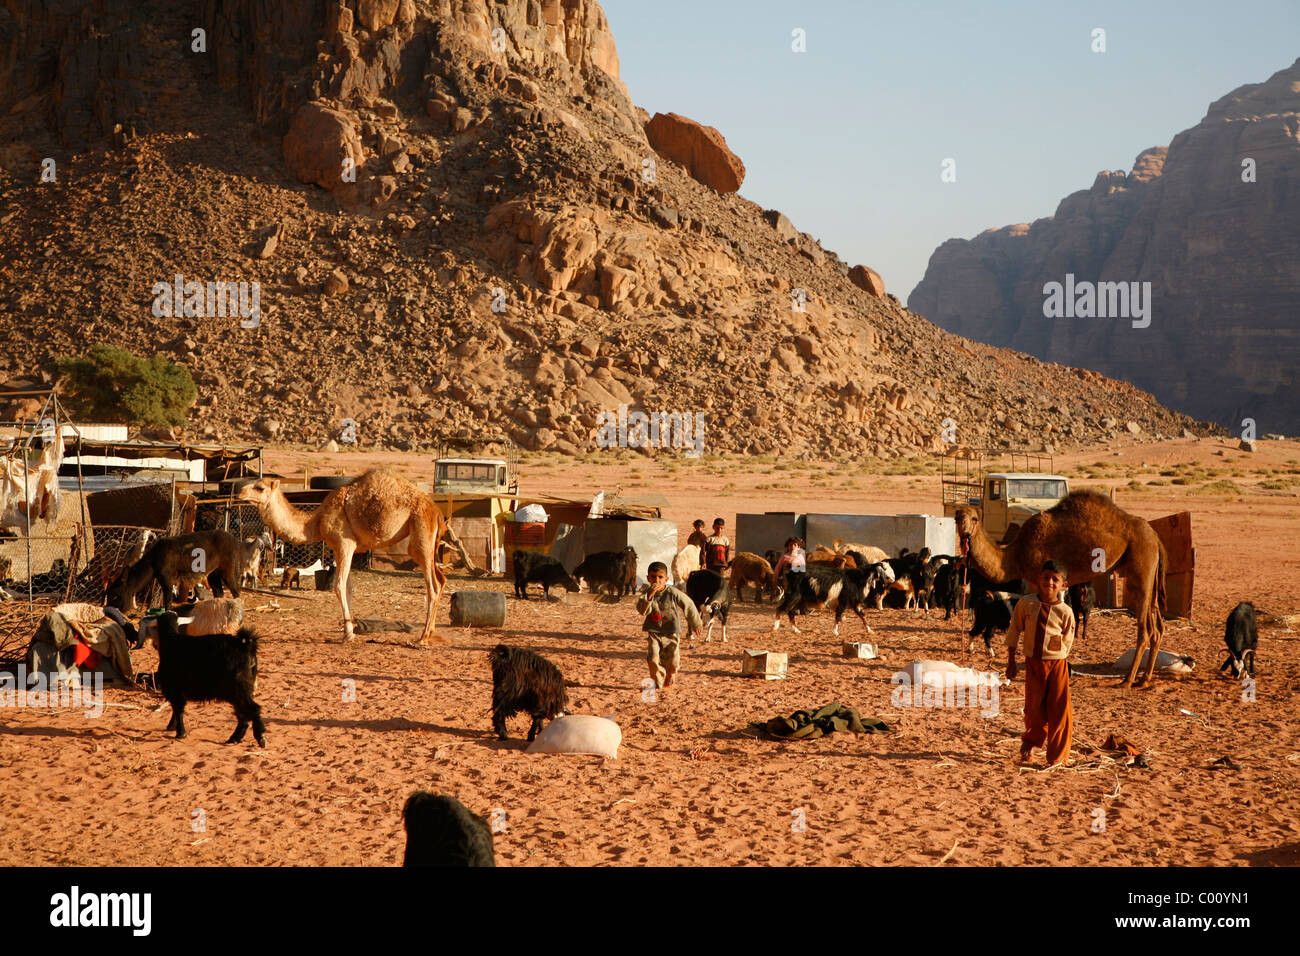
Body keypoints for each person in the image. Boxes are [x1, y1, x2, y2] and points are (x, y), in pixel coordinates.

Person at [1005, 560, 1076, 766]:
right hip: (1033, 664)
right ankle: (1030, 742)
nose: (1050, 582)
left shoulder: (1065, 612)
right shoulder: (1026, 604)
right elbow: (1014, 630)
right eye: (1046, 577)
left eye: (1056, 579)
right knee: (1034, 709)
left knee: (1059, 710)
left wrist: (1054, 656)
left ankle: (1057, 757)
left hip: (1057, 666)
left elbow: (1066, 641)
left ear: (1064, 584)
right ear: (1038, 579)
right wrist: (1011, 661)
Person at [635, 561, 702, 690]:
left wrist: (696, 622)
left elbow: (688, 604)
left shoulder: (673, 592)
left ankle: (670, 674)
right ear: (648, 578)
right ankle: (657, 683)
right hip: (654, 631)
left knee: (673, 661)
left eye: (660, 577)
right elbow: (643, 611)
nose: (656, 580)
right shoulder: (646, 594)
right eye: (653, 577)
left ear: (666, 579)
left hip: (672, 631)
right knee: (653, 658)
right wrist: (649, 597)